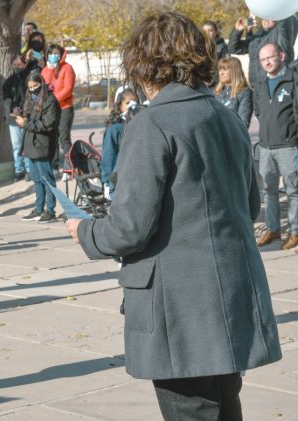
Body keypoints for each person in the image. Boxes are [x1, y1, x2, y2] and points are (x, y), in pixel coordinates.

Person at [65, 12, 282, 420]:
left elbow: (129, 228)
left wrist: (86, 231)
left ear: (145, 61)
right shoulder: (227, 117)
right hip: (229, 298)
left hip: (180, 310)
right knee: (222, 405)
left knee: (194, 410)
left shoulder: (152, 124)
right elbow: (250, 206)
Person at [253, 43, 298, 250]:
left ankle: (295, 231)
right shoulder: (260, 82)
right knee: (269, 191)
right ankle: (272, 229)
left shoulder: (293, 79)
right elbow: (259, 112)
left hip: (289, 145)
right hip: (266, 147)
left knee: (293, 190)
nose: (267, 63)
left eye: (270, 58)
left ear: (281, 55)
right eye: (263, 60)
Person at [15, 73, 60, 224]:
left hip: (43, 145)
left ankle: (51, 211)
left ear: (41, 84)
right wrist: (20, 118)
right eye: (30, 87)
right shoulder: (31, 100)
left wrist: (26, 123)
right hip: (31, 145)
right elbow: (30, 120)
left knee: (47, 179)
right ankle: (39, 209)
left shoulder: (50, 100)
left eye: (36, 86)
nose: (33, 90)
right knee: (37, 180)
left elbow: (48, 124)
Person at [228, 15, 297, 87]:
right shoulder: (258, 35)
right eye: (263, 17)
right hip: (257, 87)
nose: (266, 20)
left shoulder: (282, 35)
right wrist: (238, 30)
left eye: (270, 17)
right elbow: (234, 49)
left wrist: (278, 11)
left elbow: (283, 22)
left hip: (277, 85)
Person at [40, 44, 76, 170]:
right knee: (52, 137)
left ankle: (70, 165)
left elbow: (68, 89)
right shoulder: (45, 70)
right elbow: (44, 87)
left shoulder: (67, 68)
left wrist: (53, 100)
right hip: (51, 109)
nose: (53, 56)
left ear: (61, 54)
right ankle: (54, 166)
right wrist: (50, 69)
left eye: (56, 53)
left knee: (64, 137)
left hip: (65, 107)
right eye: (51, 53)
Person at [2, 54, 36, 180]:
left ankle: (29, 169)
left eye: (19, 65)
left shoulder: (30, 79)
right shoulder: (8, 82)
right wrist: (12, 108)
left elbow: (31, 97)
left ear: (25, 65)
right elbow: (6, 99)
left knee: (27, 144)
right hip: (13, 118)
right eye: (15, 65)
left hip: (27, 116)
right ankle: (19, 169)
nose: (17, 67)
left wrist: (23, 110)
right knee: (16, 145)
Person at [100, 88, 140, 198]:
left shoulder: (141, 125)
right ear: (120, 106)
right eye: (127, 103)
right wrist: (107, 183)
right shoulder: (115, 129)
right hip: (119, 182)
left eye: (135, 102)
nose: (132, 106)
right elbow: (108, 157)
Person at [214, 56, 253, 128]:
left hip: (233, 136)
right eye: (220, 69)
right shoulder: (217, 92)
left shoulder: (244, 92)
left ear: (234, 71)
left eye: (225, 69)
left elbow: (243, 122)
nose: (221, 73)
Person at [203, 20, 230, 88]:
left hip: (217, 84)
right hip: (201, 83)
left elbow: (226, 67)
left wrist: (212, 81)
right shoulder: (197, 46)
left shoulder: (222, 47)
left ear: (215, 32)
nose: (207, 33)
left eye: (210, 30)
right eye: (205, 31)